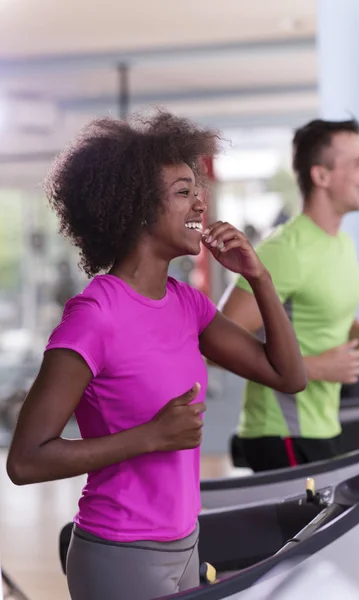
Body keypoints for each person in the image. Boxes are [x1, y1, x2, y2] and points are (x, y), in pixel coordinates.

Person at [6, 111, 306, 600]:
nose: (200, 202)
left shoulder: (187, 304)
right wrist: (149, 437)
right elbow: (25, 460)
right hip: (118, 554)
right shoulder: (96, 315)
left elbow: (287, 375)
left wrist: (259, 278)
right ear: (139, 207)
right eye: (184, 191)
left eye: (198, 189)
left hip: (185, 543)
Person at [220, 118, 359, 473]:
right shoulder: (284, 250)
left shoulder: (341, 243)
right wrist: (313, 368)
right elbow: (216, 341)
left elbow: (321, 318)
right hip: (279, 431)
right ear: (321, 176)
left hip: (322, 425)